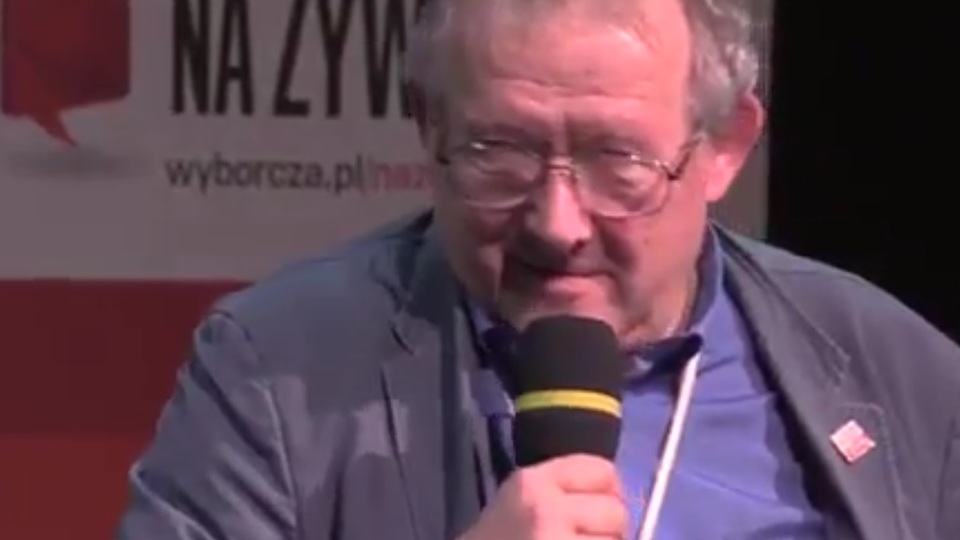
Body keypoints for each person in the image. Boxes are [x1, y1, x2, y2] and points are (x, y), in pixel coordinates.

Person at [115, 0, 960, 538]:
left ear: (724, 147)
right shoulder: (278, 370)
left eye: (617, 161)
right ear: (429, 126)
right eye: (500, 152)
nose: (558, 225)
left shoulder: (893, 371)